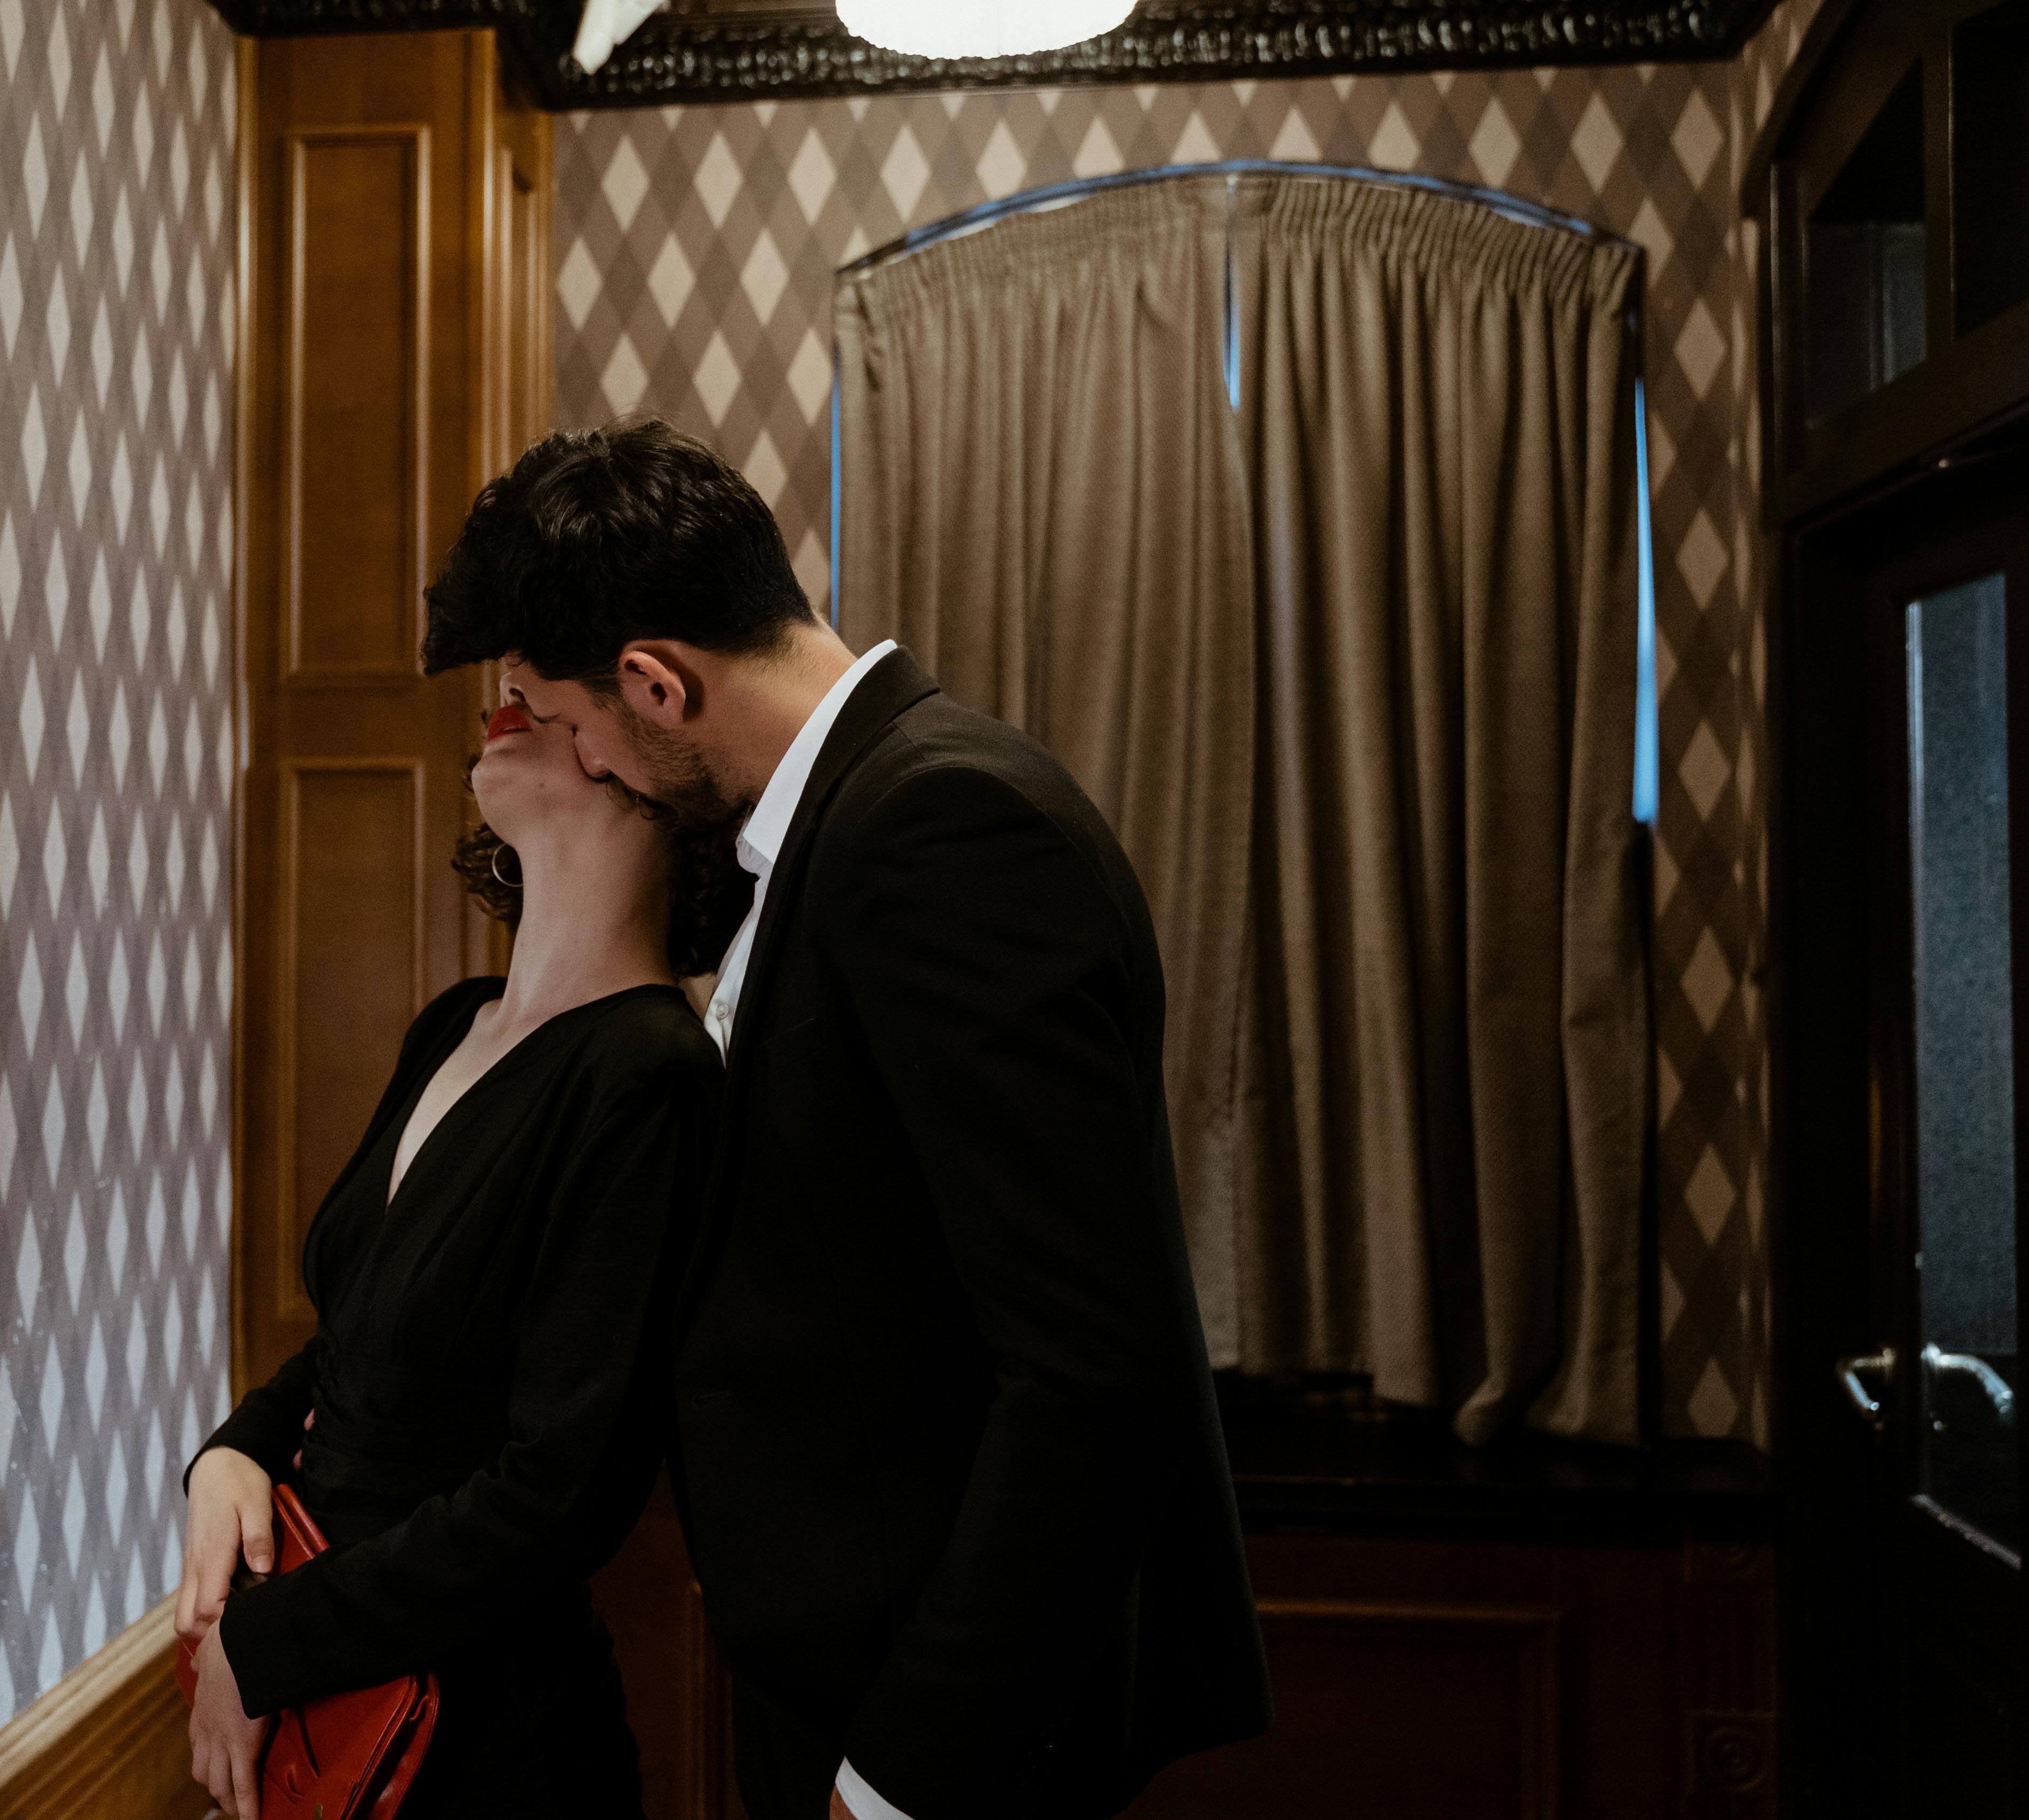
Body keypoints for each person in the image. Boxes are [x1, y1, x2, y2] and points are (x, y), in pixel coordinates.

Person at [419, 420, 1274, 1820]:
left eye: (569, 721)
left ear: (653, 681)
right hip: (850, 1674)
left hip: (939, 1719)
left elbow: (1087, 1371)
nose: (591, 762)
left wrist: (898, 1776)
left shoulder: (937, 827)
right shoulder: (836, 827)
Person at [172, 692, 741, 1819]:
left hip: (480, 1738)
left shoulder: (652, 1075)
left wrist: (267, 1644)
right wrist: (232, 1452)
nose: (501, 704)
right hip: (326, 1686)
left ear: (648, 767)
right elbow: (361, 1340)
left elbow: (561, 1494)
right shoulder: (457, 1020)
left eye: (548, 695)